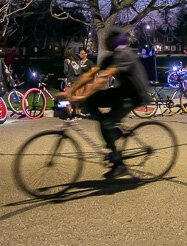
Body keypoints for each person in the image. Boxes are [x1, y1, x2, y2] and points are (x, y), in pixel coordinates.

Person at [60, 26, 150, 178]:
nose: (105, 41)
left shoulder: (123, 54)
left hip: (135, 96)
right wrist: (70, 91)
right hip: (122, 92)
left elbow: (103, 78)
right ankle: (112, 131)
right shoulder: (111, 56)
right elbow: (91, 74)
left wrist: (81, 96)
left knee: (106, 123)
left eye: (109, 39)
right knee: (92, 101)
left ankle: (118, 161)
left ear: (117, 40)